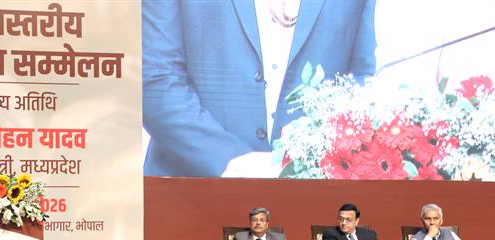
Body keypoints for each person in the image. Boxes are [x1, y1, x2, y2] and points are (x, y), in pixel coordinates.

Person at [142, 0, 377, 177]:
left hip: (317, 195)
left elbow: (368, 77)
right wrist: (229, 160)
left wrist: (313, 158)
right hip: (190, 190)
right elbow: (156, 81)